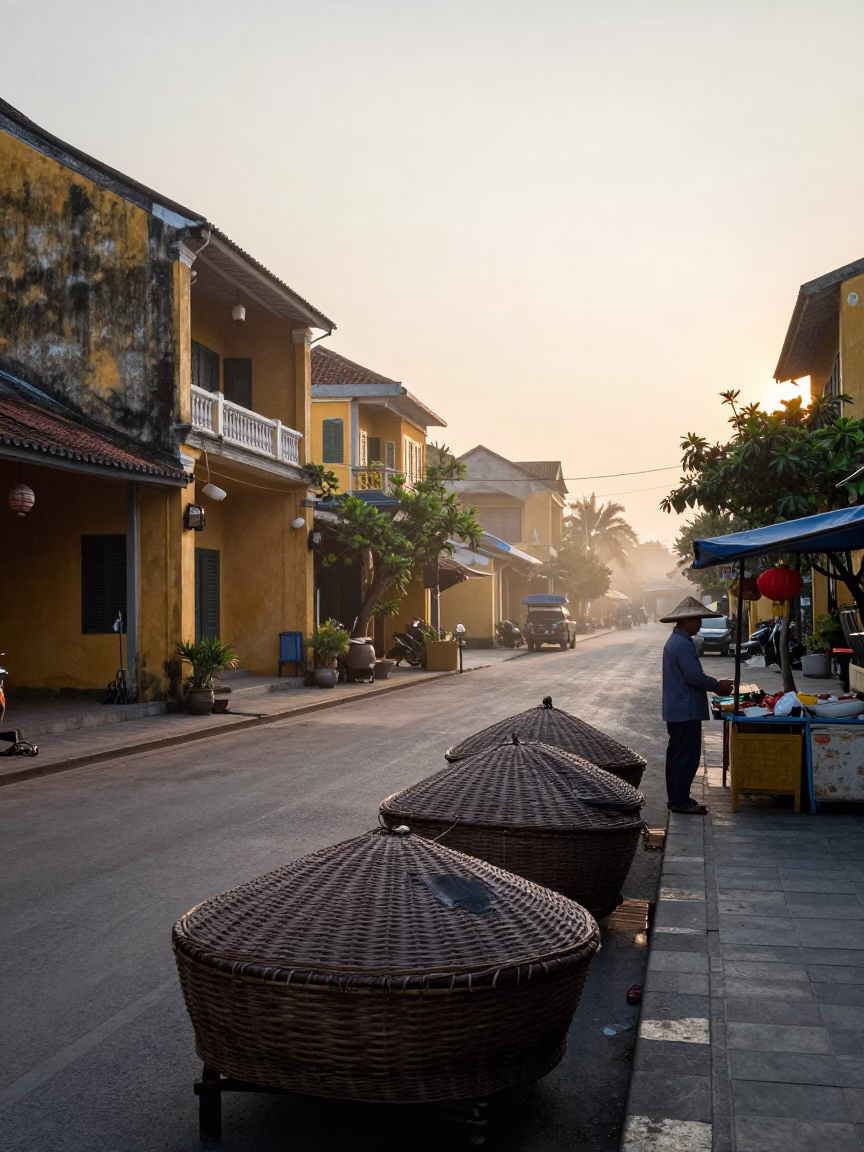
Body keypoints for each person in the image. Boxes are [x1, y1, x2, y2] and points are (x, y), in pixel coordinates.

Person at [661, 596, 734, 815]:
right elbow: (694, 677)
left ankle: (677, 797)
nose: (700, 624)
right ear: (687, 621)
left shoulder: (677, 642)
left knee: (677, 755)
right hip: (686, 709)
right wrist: (717, 685)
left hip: (677, 708)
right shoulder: (681, 644)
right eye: (698, 620)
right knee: (686, 756)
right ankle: (679, 800)